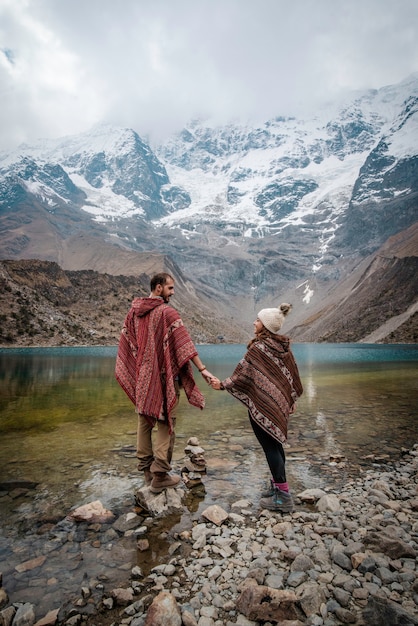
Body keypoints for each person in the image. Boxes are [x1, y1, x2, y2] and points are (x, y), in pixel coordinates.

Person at [115, 272, 213, 493]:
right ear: (158, 288)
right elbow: (185, 345)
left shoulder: (133, 312)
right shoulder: (167, 313)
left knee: (144, 420)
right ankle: (160, 474)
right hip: (164, 379)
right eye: (170, 288)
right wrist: (203, 370)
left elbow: (127, 344)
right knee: (166, 423)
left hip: (143, 379)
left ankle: (146, 472)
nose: (173, 292)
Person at [210, 303, 303, 512]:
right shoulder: (284, 348)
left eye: (258, 320)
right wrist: (290, 400)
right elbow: (291, 377)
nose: (254, 322)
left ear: (266, 326)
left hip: (263, 406)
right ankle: (278, 486)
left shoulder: (258, 349)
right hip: (278, 405)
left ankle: (283, 497)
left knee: (270, 447)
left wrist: (222, 385)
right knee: (276, 444)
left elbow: (241, 375)